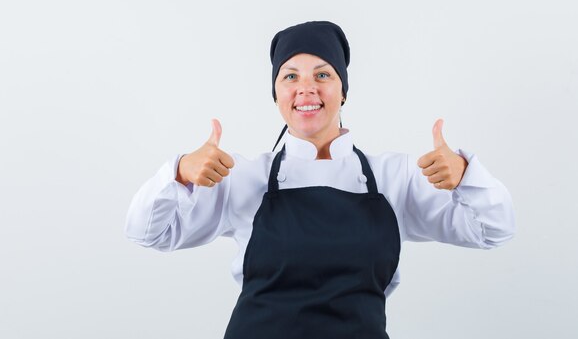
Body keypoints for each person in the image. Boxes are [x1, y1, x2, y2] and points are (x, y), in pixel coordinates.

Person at [124, 21, 516, 338]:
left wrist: (466, 175)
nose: (305, 88)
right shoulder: (242, 177)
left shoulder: (394, 179)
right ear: (276, 93)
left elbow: (493, 230)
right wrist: (177, 174)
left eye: (322, 74)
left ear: (343, 90)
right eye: (290, 76)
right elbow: (149, 233)